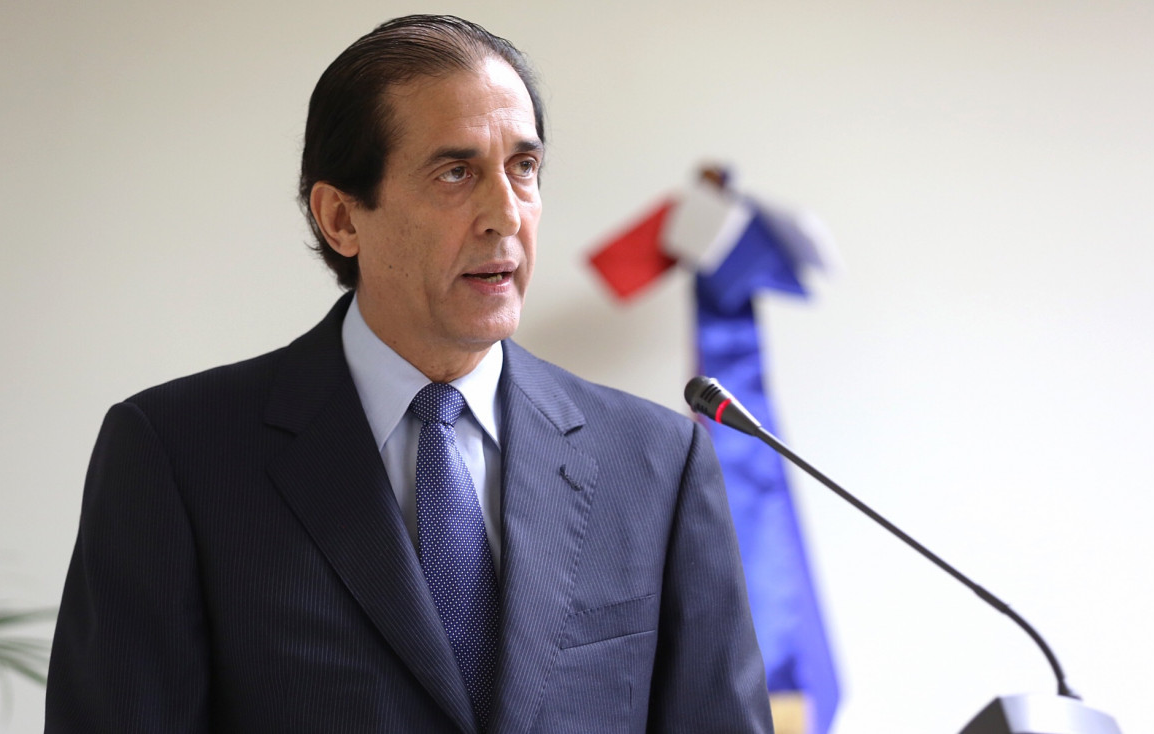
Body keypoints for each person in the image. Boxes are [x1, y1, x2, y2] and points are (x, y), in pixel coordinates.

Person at [46, 14, 773, 734]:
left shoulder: (657, 460)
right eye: (456, 173)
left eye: (523, 168)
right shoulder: (177, 454)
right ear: (341, 219)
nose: (505, 216)